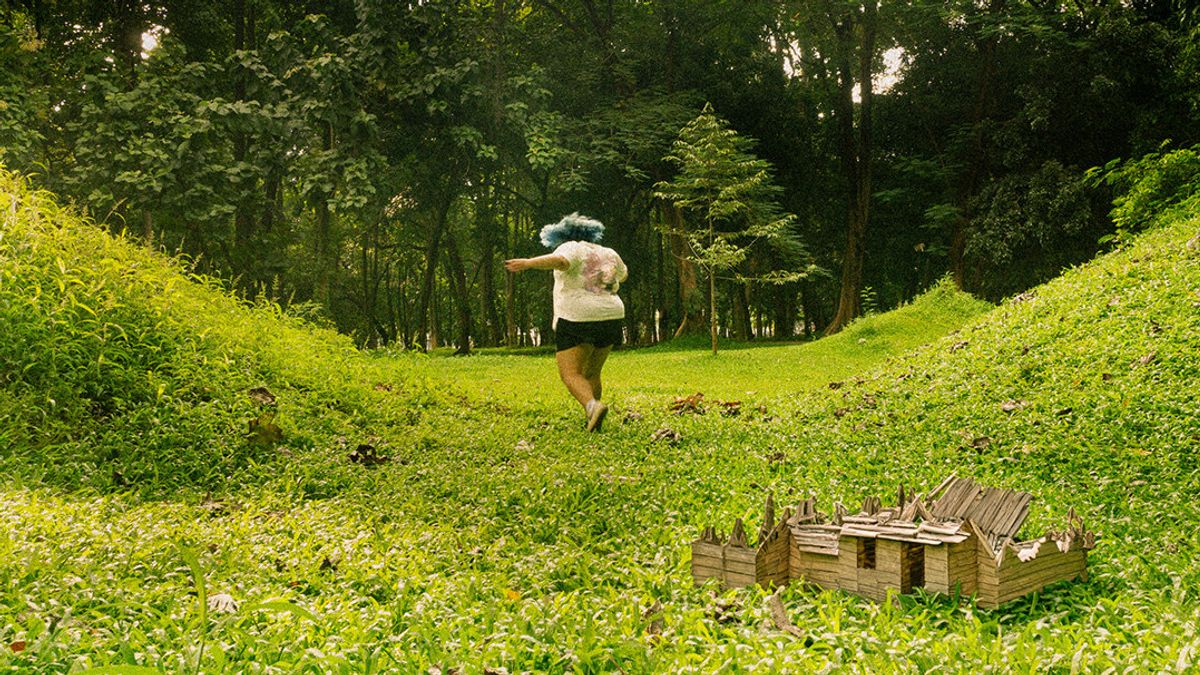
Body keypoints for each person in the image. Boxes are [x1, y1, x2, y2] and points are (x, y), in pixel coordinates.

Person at [505, 213, 627, 432]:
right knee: (592, 372)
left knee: (570, 374)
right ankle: (592, 418)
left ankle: (592, 406)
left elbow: (561, 262)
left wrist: (528, 263)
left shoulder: (571, 247)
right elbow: (623, 275)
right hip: (612, 314)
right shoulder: (609, 252)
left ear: (562, 235)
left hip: (577, 316)